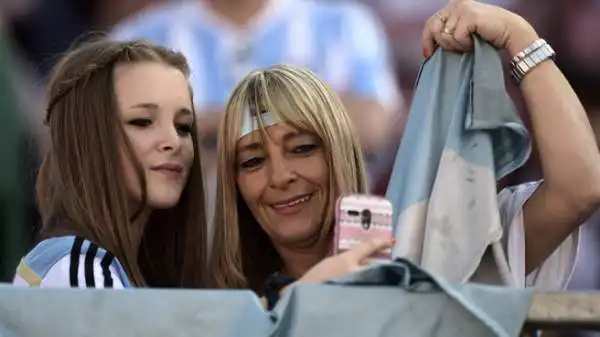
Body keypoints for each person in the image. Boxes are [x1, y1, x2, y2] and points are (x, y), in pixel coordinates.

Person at [209, 0, 600, 305]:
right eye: (253, 160)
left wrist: (520, 38)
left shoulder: (438, 247)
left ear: (344, 151)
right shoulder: (212, 289)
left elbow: (578, 188)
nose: (280, 175)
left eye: (303, 148)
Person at [12, 39, 208, 288]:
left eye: (183, 127)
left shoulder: (96, 265)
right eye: (142, 121)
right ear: (85, 138)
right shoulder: (81, 269)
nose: (174, 141)